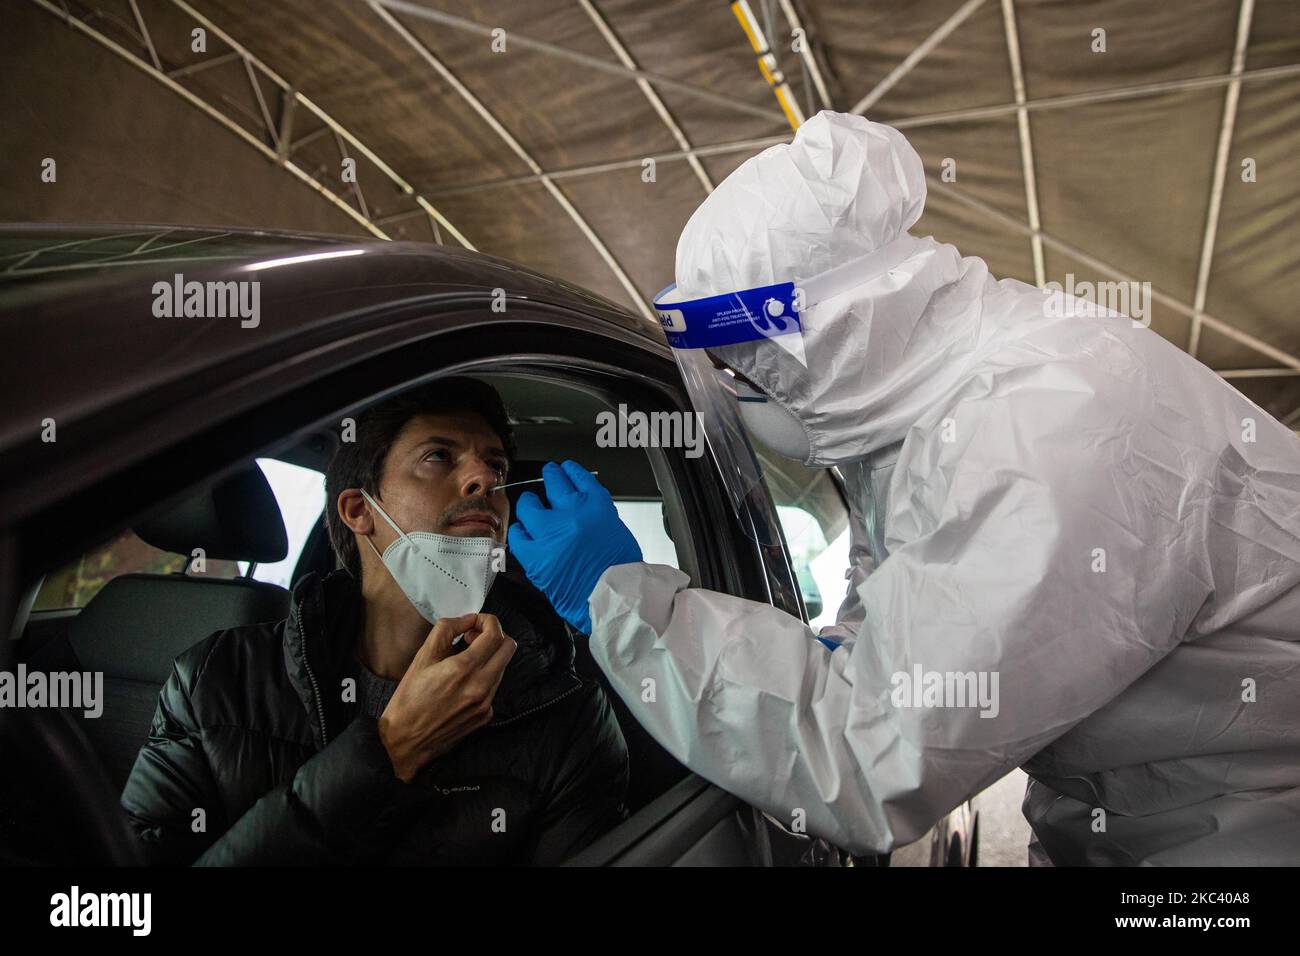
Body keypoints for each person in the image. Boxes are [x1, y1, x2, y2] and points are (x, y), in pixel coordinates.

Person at [508, 110, 1300, 866]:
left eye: (741, 362)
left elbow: (870, 760)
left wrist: (623, 603)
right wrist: (849, 644)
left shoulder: (1044, 431)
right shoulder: (929, 408)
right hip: (1148, 818)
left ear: (829, 334)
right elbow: (906, 591)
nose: (735, 387)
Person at [122, 378, 628, 865]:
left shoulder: (568, 710)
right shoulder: (215, 679)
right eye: (438, 457)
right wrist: (391, 751)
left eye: (496, 466)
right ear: (359, 510)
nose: (486, 480)